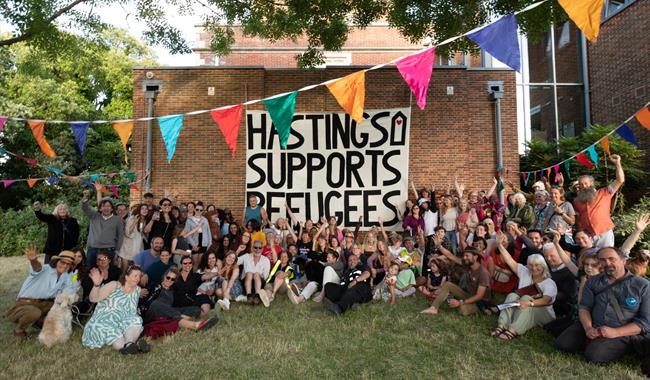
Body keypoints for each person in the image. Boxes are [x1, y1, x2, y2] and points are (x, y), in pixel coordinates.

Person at [555, 247, 650, 364]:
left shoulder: (643, 286)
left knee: (595, 356)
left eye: (612, 259)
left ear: (623, 261)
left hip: (621, 331)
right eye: (603, 260)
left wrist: (615, 332)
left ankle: (624, 347)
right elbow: (584, 307)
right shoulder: (593, 281)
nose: (607, 263)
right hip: (593, 325)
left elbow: (645, 323)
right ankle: (593, 343)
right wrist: (588, 328)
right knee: (563, 344)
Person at [491, 234, 557, 340]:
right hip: (522, 304)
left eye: (537, 265)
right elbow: (509, 260)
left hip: (543, 312)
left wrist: (529, 303)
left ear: (543, 266)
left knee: (526, 299)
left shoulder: (549, 282)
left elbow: (546, 300)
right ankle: (501, 325)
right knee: (512, 295)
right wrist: (499, 245)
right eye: (530, 265)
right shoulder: (524, 272)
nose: (533, 268)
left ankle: (513, 330)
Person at [6, 245, 75, 337]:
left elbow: (62, 295)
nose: (65, 265)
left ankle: (39, 321)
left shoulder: (65, 277)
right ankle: (19, 329)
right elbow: (37, 268)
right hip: (24, 304)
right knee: (34, 312)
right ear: (56, 261)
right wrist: (33, 260)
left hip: (42, 304)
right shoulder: (45, 269)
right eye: (62, 262)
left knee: (62, 307)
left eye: (68, 264)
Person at [81, 265, 149, 354]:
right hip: (105, 318)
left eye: (139, 276)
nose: (137, 279)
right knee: (111, 330)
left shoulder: (137, 290)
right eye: (135, 276)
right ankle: (128, 347)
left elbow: (131, 308)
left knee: (135, 320)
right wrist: (96, 285)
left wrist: (136, 312)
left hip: (123, 318)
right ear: (126, 277)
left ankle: (129, 344)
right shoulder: (115, 285)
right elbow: (93, 299)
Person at [420, 243, 491, 316]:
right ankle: (433, 308)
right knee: (448, 285)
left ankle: (483, 310)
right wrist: (439, 246)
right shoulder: (468, 264)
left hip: (480, 302)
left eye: (467, 256)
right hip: (469, 295)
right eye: (464, 256)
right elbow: (450, 256)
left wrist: (460, 302)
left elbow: (479, 296)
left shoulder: (483, 273)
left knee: (462, 310)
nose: (464, 258)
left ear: (475, 257)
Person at [141, 268, 218, 332]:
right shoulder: (154, 285)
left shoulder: (173, 291)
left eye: (172, 279)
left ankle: (180, 317)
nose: (169, 280)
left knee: (196, 309)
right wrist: (139, 292)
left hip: (168, 312)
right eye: (168, 277)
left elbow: (183, 299)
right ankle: (195, 325)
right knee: (156, 304)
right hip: (151, 310)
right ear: (164, 276)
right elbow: (145, 298)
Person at [572, 154, 624, 249]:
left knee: (605, 257)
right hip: (587, 235)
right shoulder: (577, 200)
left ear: (592, 183)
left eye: (585, 183)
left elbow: (620, 180)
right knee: (591, 259)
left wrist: (617, 163)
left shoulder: (604, 192)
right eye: (581, 184)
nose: (583, 186)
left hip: (604, 232)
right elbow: (578, 218)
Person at [81, 188, 124, 266]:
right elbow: (85, 208)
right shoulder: (94, 216)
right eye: (103, 206)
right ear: (100, 208)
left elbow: (120, 236)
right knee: (90, 270)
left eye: (108, 206)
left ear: (112, 208)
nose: (106, 208)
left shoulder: (117, 220)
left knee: (106, 272)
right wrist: (85, 198)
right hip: (93, 249)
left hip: (109, 250)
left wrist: (117, 251)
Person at [237, 240, 270, 305]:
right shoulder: (246, 256)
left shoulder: (266, 260)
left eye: (260, 248)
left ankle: (257, 296)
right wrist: (238, 250)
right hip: (246, 283)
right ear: (252, 248)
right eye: (255, 247)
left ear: (262, 249)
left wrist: (257, 275)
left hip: (260, 284)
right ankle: (249, 296)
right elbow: (235, 261)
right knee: (249, 273)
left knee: (256, 274)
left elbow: (266, 276)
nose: (257, 250)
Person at [119, 204, 149, 272]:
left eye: (146, 209)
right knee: (124, 270)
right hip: (128, 248)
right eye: (143, 208)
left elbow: (140, 232)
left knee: (135, 270)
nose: (145, 210)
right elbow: (127, 233)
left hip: (137, 247)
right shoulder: (132, 218)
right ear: (139, 210)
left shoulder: (143, 219)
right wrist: (135, 222)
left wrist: (144, 237)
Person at [184, 202, 212, 270]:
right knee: (194, 262)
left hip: (203, 241)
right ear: (194, 210)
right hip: (194, 241)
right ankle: (193, 276)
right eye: (197, 209)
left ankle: (199, 276)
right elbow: (187, 233)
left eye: (201, 210)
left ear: (203, 211)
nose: (199, 211)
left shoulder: (205, 220)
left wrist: (210, 241)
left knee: (200, 261)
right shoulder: (189, 220)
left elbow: (208, 231)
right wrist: (193, 244)